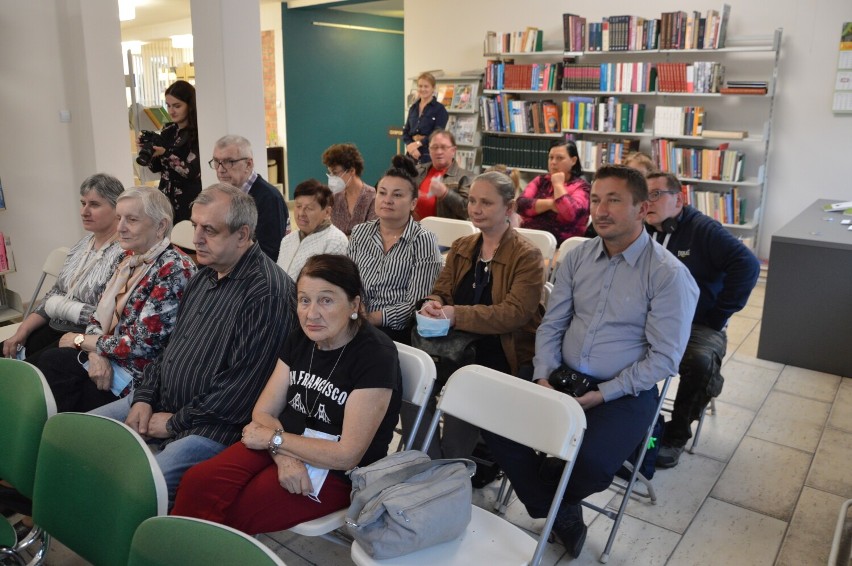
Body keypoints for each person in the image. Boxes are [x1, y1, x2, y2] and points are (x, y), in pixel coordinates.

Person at [484, 165, 698, 558]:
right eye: (596, 200)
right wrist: (544, 375)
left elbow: (665, 358)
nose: (600, 210)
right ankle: (558, 507)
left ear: (642, 208)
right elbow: (553, 323)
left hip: (622, 390)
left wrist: (603, 394)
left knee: (594, 464)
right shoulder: (579, 256)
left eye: (613, 200)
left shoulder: (669, 275)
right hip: (559, 374)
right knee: (493, 421)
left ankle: (549, 493)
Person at [91, 184, 296, 504]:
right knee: (81, 436)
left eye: (209, 230)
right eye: (195, 225)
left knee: (140, 488)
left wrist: (174, 422)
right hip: (161, 403)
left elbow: (241, 391)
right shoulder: (204, 275)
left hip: (213, 428)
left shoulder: (267, 293)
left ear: (242, 235)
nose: (196, 238)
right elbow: (168, 351)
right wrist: (144, 398)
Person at [171, 254, 402, 533]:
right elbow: (264, 411)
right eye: (304, 300)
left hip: (335, 472)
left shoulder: (376, 355)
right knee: (198, 480)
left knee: (239, 510)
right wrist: (282, 453)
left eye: (326, 300)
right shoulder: (301, 338)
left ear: (354, 305)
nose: (311, 313)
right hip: (282, 443)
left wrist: (273, 439)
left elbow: (347, 455)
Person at [413, 171, 544, 459]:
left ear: (509, 208)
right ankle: (427, 463)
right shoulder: (462, 246)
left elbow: (514, 314)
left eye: (486, 202)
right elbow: (442, 291)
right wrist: (432, 304)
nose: (475, 208)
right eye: (472, 200)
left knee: (462, 398)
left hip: (496, 354)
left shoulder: (528, 256)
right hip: (451, 347)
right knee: (409, 380)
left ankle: (445, 466)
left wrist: (454, 314)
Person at [34, 186, 195, 413]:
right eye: (119, 218)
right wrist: (95, 353)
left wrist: (81, 340)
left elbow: (142, 345)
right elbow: (97, 315)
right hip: (110, 355)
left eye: (131, 220)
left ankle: (63, 436)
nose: (120, 228)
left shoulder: (174, 268)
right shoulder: (129, 257)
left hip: (138, 377)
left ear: (161, 226)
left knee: (57, 379)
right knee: (49, 365)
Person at [645, 172, 760, 468]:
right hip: (647, 317)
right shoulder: (639, 228)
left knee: (700, 362)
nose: (648, 201)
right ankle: (641, 424)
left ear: (679, 199)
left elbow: (747, 265)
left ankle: (675, 435)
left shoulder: (702, 230)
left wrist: (718, 315)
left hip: (696, 323)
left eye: (656, 194)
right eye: (643, 194)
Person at [2, 174, 124, 364]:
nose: (84, 211)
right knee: (5, 353)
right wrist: (22, 331)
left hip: (81, 338)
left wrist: (60, 306)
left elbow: (108, 317)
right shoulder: (83, 244)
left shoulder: (123, 255)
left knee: (22, 374)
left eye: (94, 204)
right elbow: (56, 292)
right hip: (54, 325)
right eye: (83, 203)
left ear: (118, 208)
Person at [348, 156, 443, 344]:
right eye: (382, 193)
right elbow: (348, 281)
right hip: (356, 318)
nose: (387, 200)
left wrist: (373, 318)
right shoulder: (360, 232)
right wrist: (356, 308)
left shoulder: (423, 240)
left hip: (396, 330)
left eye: (397, 195)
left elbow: (417, 303)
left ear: (413, 203)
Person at [210, 134, 288, 261]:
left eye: (229, 162)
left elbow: (270, 253)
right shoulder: (224, 194)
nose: (220, 169)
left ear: (248, 164)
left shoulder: (269, 198)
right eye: (216, 162)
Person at [144, 80, 202, 223]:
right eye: (168, 106)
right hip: (164, 200)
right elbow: (156, 168)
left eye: (177, 106)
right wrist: (150, 153)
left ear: (190, 105)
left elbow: (191, 172)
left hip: (189, 201)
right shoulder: (168, 131)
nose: (171, 111)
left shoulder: (198, 132)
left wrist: (165, 153)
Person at [516, 140, 591, 245]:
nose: (553, 162)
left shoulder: (582, 187)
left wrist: (558, 185)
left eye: (560, 158)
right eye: (551, 157)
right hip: (527, 241)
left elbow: (570, 214)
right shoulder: (540, 180)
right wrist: (551, 204)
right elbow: (520, 205)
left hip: (563, 247)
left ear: (573, 161)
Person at [277, 179, 348, 280]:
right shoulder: (287, 240)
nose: (301, 213)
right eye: (298, 206)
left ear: (327, 212)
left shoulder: (336, 240)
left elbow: (328, 285)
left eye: (309, 208)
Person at [413, 129, 474, 221]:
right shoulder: (417, 171)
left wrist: (445, 194)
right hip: (415, 230)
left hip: (446, 232)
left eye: (444, 147)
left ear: (453, 150)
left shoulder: (466, 177)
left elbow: (468, 211)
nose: (439, 152)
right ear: (429, 150)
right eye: (434, 147)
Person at [322, 143, 376, 236]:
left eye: (335, 173)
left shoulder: (372, 197)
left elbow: (371, 236)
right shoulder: (334, 197)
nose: (332, 178)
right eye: (330, 173)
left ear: (351, 171)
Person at [402, 72, 449, 164]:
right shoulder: (413, 108)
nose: (422, 89)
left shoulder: (440, 109)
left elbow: (437, 134)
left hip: (429, 155)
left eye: (426, 86)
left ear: (433, 88)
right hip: (412, 154)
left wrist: (418, 144)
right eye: (420, 86)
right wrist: (410, 146)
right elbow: (406, 131)